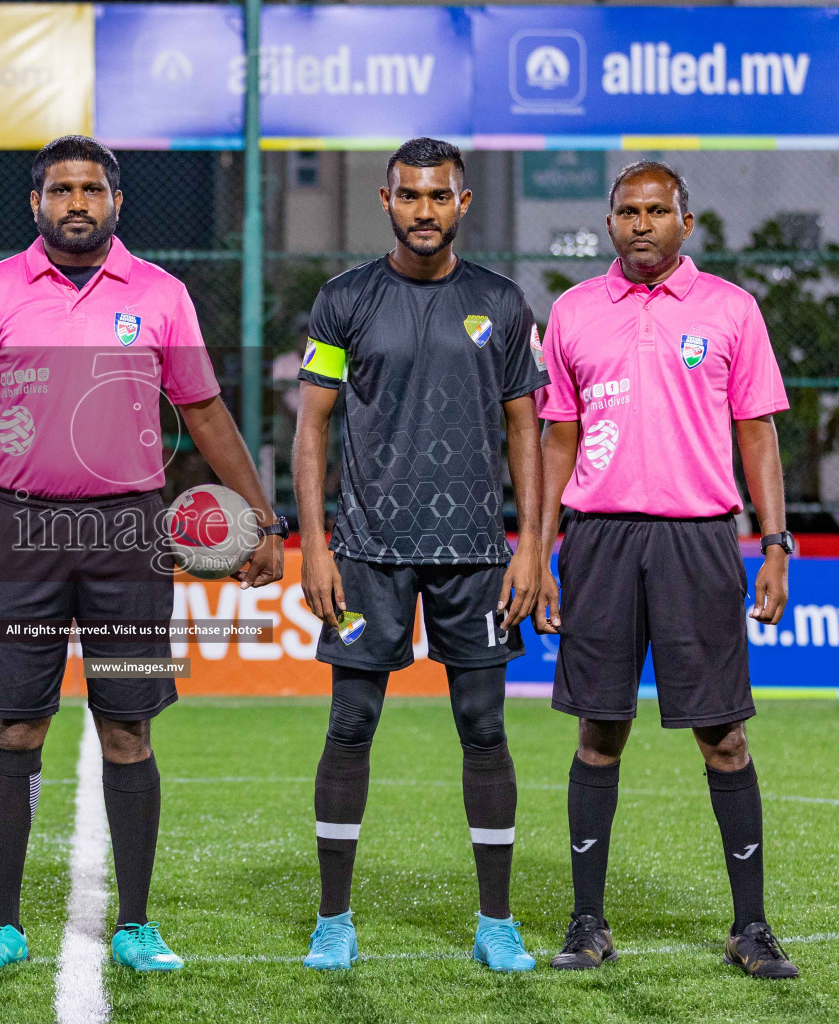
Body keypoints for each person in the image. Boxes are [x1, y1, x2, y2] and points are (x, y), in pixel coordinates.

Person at [0, 135, 285, 974]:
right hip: (21, 533)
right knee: (16, 729)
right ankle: (0, 925)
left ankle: (134, 923)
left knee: (127, 728)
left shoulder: (161, 295)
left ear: (116, 202)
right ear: (36, 203)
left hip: (128, 536)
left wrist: (263, 520)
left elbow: (204, 412)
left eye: (92, 188)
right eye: (61, 189)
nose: (77, 202)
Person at [534, 161, 798, 979]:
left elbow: (757, 432)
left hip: (700, 541)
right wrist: (539, 555)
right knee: (599, 732)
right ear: (609, 222)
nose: (641, 224)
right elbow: (556, 440)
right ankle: (587, 924)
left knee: (723, 737)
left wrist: (776, 543)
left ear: (687, 222)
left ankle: (750, 928)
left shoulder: (730, 310)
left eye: (657, 210)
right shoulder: (573, 312)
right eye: (627, 211)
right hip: (600, 540)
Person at [294, 138, 548, 973]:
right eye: (410, 197)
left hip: (477, 550)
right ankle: (335, 920)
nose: (425, 211)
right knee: (351, 723)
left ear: (463, 203)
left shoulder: (504, 304)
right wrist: (316, 548)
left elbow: (526, 432)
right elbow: (312, 428)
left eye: (439, 197)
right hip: (368, 549)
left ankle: (497, 922)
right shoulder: (344, 300)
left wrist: (530, 548)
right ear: (387, 200)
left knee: (483, 727)